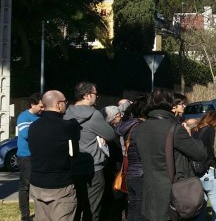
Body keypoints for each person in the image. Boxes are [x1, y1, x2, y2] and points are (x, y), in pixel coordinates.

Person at [132, 89, 206, 220]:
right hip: (172, 193)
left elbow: (139, 156)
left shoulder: (139, 128)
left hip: (149, 191)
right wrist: (190, 137)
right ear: (170, 104)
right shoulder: (174, 128)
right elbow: (199, 154)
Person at [64, 82, 116, 221]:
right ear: (86, 95)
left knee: (77, 206)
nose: (97, 97)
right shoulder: (93, 114)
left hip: (73, 166)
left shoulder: (67, 112)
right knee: (93, 209)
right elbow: (111, 135)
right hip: (94, 167)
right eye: (95, 94)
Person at [29, 90, 80, 221]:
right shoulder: (66, 126)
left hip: (37, 184)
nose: (66, 105)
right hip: (59, 186)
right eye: (65, 102)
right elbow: (74, 153)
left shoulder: (33, 126)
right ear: (58, 104)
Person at [115, 95, 148, 221]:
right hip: (141, 172)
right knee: (141, 212)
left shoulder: (127, 127)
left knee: (133, 210)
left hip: (130, 172)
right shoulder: (141, 128)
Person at [16, 92, 44, 221]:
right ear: (33, 104)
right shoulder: (23, 117)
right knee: (25, 186)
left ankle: (42, 213)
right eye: (40, 107)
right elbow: (26, 134)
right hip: (26, 156)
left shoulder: (42, 116)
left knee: (41, 186)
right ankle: (25, 215)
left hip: (40, 156)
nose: (42, 109)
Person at [192, 111, 216, 220]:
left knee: (200, 208)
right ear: (215, 121)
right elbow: (215, 152)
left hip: (196, 172)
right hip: (210, 171)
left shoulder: (195, 130)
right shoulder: (211, 132)